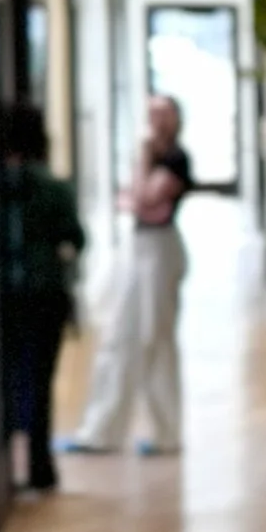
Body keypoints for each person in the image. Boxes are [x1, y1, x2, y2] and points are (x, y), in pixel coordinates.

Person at [61, 96, 191, 457]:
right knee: (121, 338)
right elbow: (135, 200)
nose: (156, 120)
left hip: (159, 252)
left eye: (163, 113)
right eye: (151, 113)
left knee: (157, 339)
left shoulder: (176, 159)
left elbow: (143, 200)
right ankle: (101, 431)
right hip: (139, 248)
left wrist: (142, 171)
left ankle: (167, 432)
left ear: (176, 119)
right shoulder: (149, 156)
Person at [0, 102, 85, 494]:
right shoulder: (54, 187)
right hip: (47, 293)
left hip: (6, 293)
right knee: (41, 379)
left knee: (7, 376)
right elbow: (76, 239)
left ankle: (3, 465)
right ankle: (40, 466)